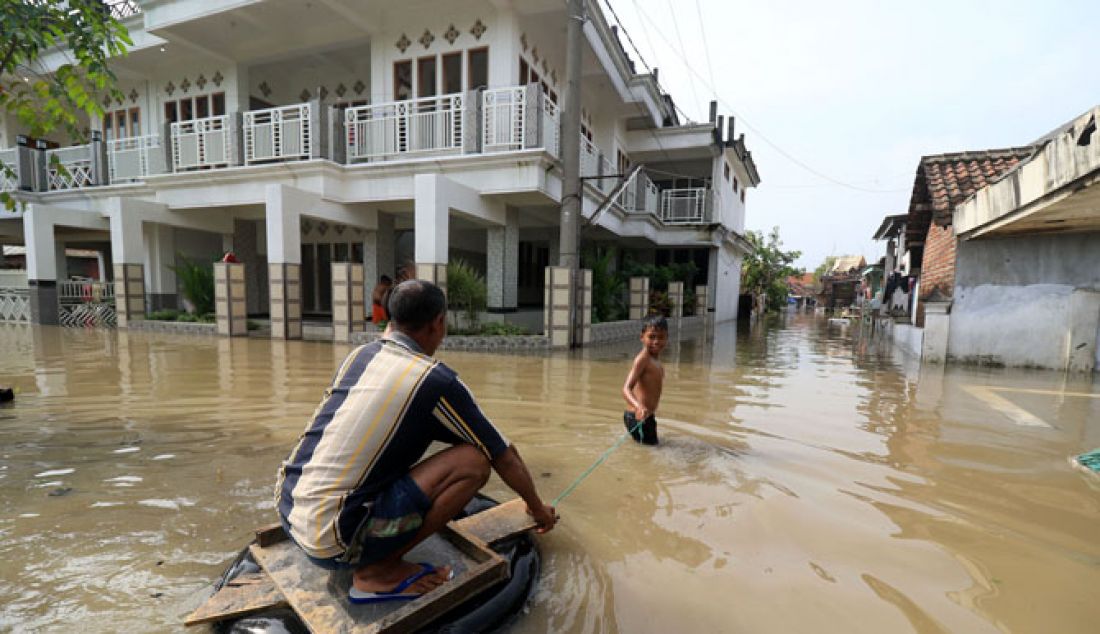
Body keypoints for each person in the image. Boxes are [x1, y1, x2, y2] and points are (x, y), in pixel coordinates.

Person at [275, 280, 556, 604]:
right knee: (473, 462)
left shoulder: (361, 356)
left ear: (391, 319)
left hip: (289, 508)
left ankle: (365, 546)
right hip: (333, 539)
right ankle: (377, 573)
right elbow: (504, 456)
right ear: (439, 323)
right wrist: (537, 509)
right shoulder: (435, 380)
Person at [621, 314, 668, 446]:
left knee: (652, 449)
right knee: (652, 451)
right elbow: (626, 388)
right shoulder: (643, 359)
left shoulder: (655, 360)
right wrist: (639, 407)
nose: (656, 341)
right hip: (637, 417)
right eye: (652, 336)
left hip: (646, 416)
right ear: (642, 337)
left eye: (661, 337)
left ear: (667, 338)